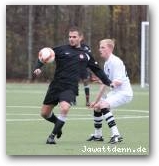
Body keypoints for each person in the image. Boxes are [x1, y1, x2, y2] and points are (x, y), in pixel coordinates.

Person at [33, 27, 113, 144]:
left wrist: (108, 82)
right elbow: (44, 56)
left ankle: (52, 136)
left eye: (74, 37)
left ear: (81, 38)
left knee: (65, 108)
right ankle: (58, 125)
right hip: (56, 85)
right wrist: (37, 68)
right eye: (70, 37)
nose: (71, 39)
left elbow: (97, 70)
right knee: (44, 114)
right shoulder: (61, 49)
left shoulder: (86, 54)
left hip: (70, 87)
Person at [87, 39, 133, 144]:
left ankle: (116, 135)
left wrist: (107, 82)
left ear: (110, 48)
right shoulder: (107, 63)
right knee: (98, 106)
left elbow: (118, 82)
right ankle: (98, 135)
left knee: (103, 105)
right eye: (100, 47)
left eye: (103, 47)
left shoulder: (116, 62)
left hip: (124, 93)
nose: (100, 49)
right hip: (116, 92)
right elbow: (105, 84)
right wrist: (95, 101)